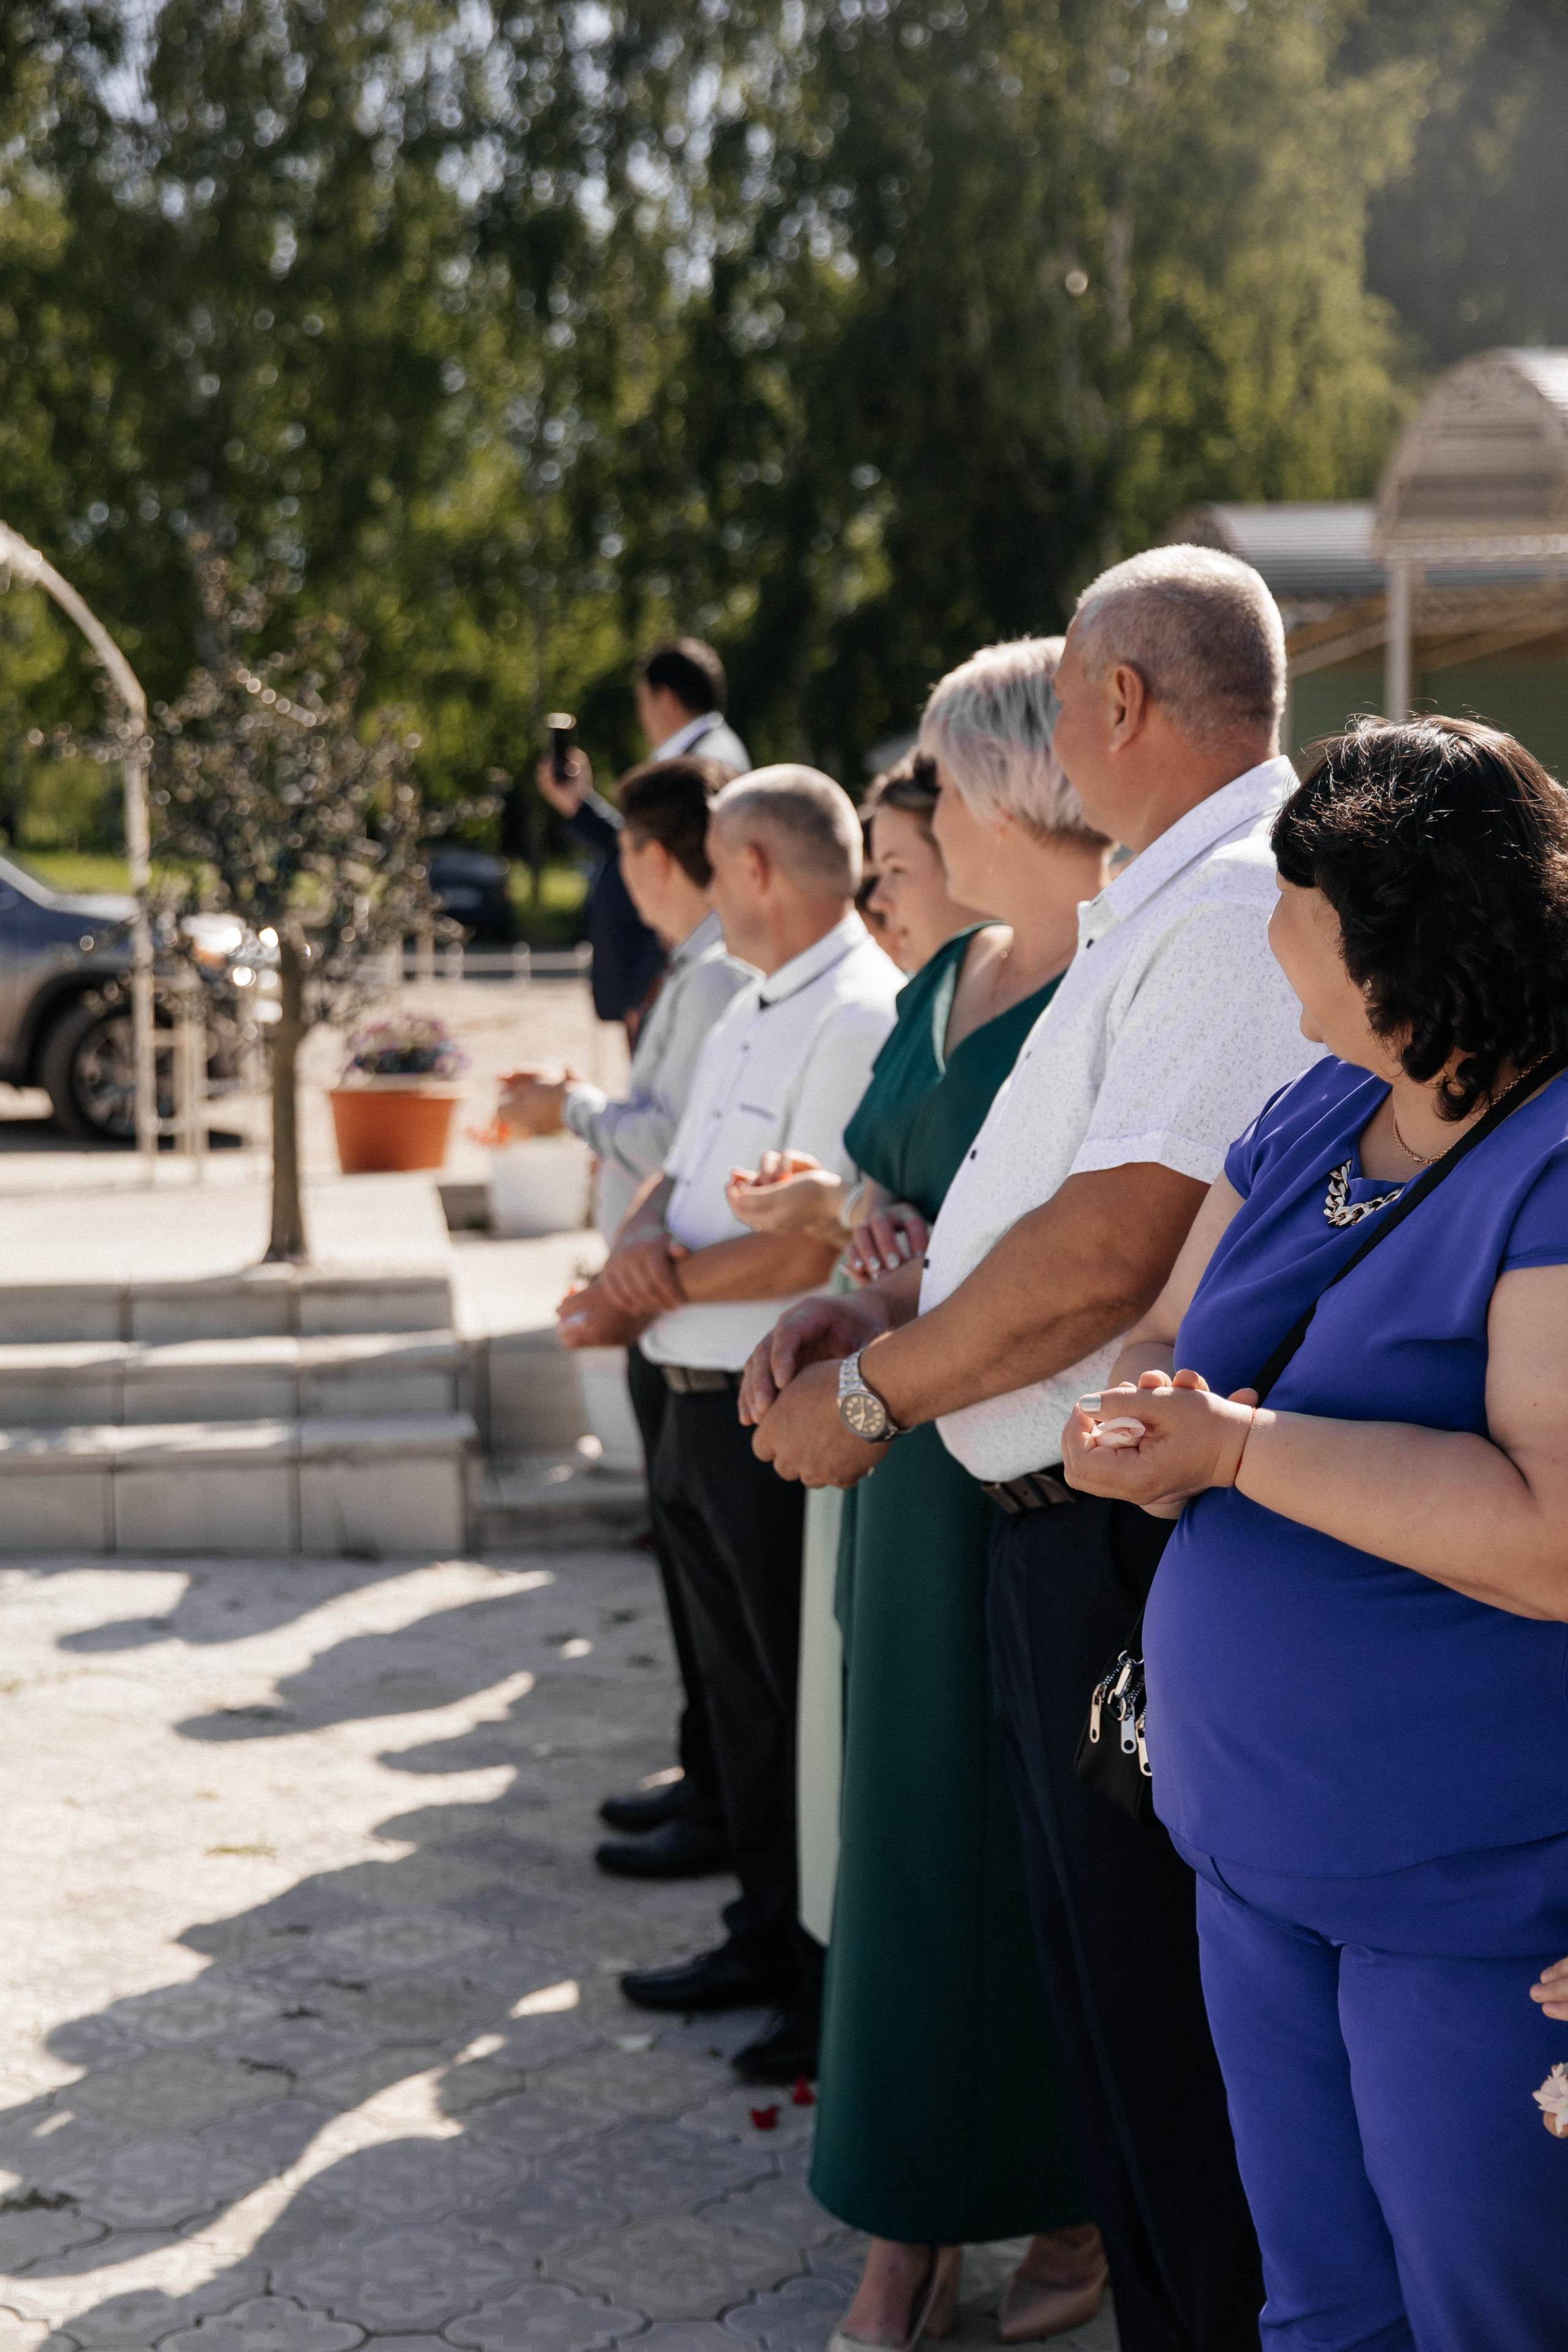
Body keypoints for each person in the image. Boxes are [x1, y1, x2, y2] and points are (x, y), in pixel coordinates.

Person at [743, 546, 1320, 2352]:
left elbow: (1109, 1248)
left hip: (1118, 1532)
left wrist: (868, 1393)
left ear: (1119, 704)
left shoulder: (1228, 895)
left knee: (1167, 2059)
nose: (1052, 729)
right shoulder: (1179, 888)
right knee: (1117, 2042)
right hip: (1055, 1516)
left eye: (1063, 691)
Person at [1063, 717, 1568, 2352]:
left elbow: (1548, 1534)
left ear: (1401, 935)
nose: (1266, 927)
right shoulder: (1314, 1107)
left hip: (1467, 1900)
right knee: (1325, 2312)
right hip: (1254, 1858)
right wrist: (1146, 1424)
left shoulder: (1553, 1161)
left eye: (1294, 899)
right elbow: (1175, 1331)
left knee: (1481, 2311)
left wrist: (1234, 1451)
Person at [738, 646, 1112, 2348]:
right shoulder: (950, 970)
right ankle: (905, 2225)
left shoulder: (1108, 986)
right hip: (893, 1467)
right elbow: (898, 1177)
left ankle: (1058, 2203)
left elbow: (1075, 1253)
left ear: (1016, 788)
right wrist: (859, 1257)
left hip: (1009, 1469)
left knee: (1009, 1852)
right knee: (902, 1845)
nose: (920, 817)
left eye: (942, 786)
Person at [573, 766, 901, 2086]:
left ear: (759, 867)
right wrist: (636, 1252)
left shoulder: (856, 1012)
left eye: (716, 863)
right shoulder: (747, 999)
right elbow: (677, 1166)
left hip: (768, 1402)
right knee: (740, 1704)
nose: (708, 889)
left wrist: (641, 1282)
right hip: (691, 1394)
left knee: (790, 1707)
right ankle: (759, 1934)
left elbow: (795, 1257)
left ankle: (814, 1969)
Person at [500, 755, 753, 1881]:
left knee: (720, 1619)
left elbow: (672, 1139)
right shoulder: (698, 969)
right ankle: (708, 1781)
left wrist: (574, 1111)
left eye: (626, 859)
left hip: (698, 1306)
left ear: (655, 857)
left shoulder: (711, 977)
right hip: (665, 1306)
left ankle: (722, 1803)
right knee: (694, 1604)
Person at [537, 639, 750, 1033]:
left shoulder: (698, 766)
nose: (641, 716)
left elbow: (679, 871)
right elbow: (652, 849)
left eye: (642, 702)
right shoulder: (714, 752)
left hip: (665, 972)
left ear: (664, 698)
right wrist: (579, 806)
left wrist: (646, 985)